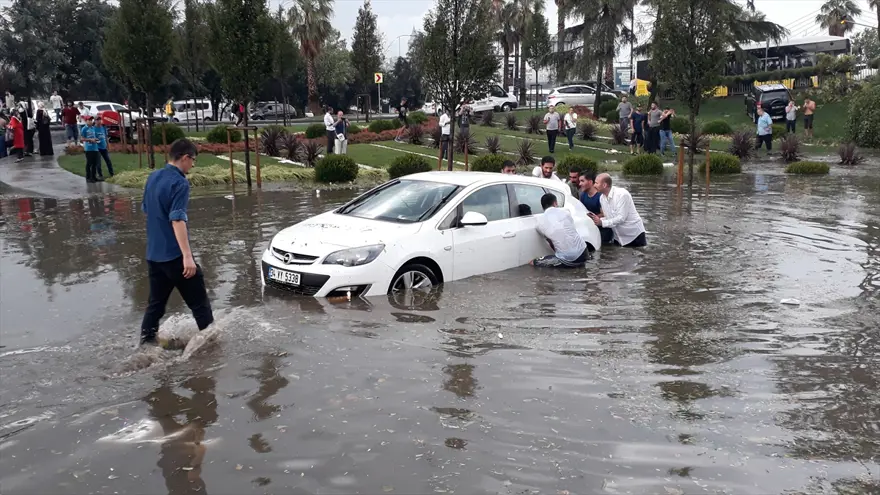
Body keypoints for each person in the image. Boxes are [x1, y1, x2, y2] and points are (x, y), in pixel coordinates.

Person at [140, 138, 214, 347]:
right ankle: (212, 349)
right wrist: (187, 257)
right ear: (185, 158)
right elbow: (177, 219)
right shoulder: (180, 183)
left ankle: (145, 346)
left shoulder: (153, 177)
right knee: (200, 305)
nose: (193, 165)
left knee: (155, 305)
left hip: (154, 255)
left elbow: (146, 210)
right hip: (175, 256)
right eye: (193, 160)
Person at [529, 193, 590, 268]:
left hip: (568, 260)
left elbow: (550, 240)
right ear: (555, 203)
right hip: (584, 252)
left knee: (533, 263)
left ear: (542, 206)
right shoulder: (566, 212)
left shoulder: (539, 223)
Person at [590, 173, 647, 247]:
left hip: (634, 236)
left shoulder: (622, 194)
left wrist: (602, 223)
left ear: (604, 185)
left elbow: (621, 218)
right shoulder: (602, 198)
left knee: (638, 253)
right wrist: (596, 220)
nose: (594, 185)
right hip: (618, 237)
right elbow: (609, 217)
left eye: (596, 183)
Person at [578, 171, 614, 245]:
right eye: (580, 181)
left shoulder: (600, 196)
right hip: (590, 228)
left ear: (590, 182)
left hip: (604, 231)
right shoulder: (583, 195)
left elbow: (605, 214)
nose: (580, 184)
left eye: (582, 181)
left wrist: (591, 217)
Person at [80, 116, 102, 182]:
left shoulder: (93, 128)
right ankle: (88, 177)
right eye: (89, 120)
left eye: (91, 120)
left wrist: (95, 139)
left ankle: (93, 177)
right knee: (89, 163)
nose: (90, 121)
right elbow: (82, 139)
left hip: (95, 148)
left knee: (95, 163)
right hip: (88, 148)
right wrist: (90, 140)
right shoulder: (84, 128)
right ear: (86, 121)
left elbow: (93, 136)